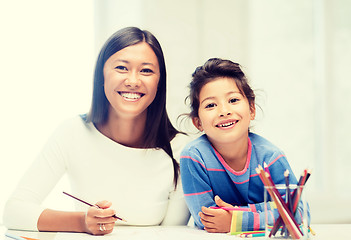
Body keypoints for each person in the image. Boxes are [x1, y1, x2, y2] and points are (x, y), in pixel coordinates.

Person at [3, 27, 190, 235]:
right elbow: (14, 212)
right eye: (121, 68)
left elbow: (175, 234)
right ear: (101, 75)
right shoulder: (72, 132)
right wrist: (82, 222)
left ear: (159, 82)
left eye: (146, 70)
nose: (133, 81)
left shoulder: (182, 151)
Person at [180, 58, 308, 233]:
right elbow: (207, 219)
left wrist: (236, 219)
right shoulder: (194, 156)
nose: (224, 111)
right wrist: (269, 209)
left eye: (233, 100)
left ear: (252, 109)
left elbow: (299, 212)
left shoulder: (270, 157)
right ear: (198, 122)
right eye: (211, 105)